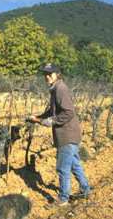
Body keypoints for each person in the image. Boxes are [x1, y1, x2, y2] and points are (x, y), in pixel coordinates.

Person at [29, 63, 90, 206]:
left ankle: (63, 199)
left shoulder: (60, 89)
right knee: (74, 164)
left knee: (62, 168)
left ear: (58, 74)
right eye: (45, 74)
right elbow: (52, 111)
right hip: (71, 134)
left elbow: (68, 112)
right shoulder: (55, 88)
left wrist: (49, 121)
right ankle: (86, 189)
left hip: (66, 135)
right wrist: (38, 118)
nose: (47, 76)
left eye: (50, 74)